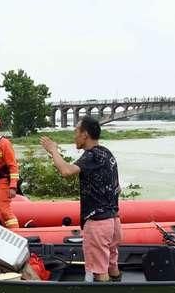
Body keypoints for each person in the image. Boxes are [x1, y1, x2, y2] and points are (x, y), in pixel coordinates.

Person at [40, 116, 121, 282]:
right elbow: (117, 188)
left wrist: (53, 150)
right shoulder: (106, 153)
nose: (74, 136)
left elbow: (66, 171)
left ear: (85, 135)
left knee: (99, 271)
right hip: (113, 221)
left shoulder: (91, 155)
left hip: (97, 223)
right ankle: (119, 292)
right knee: (112, 264)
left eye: (76, 131)